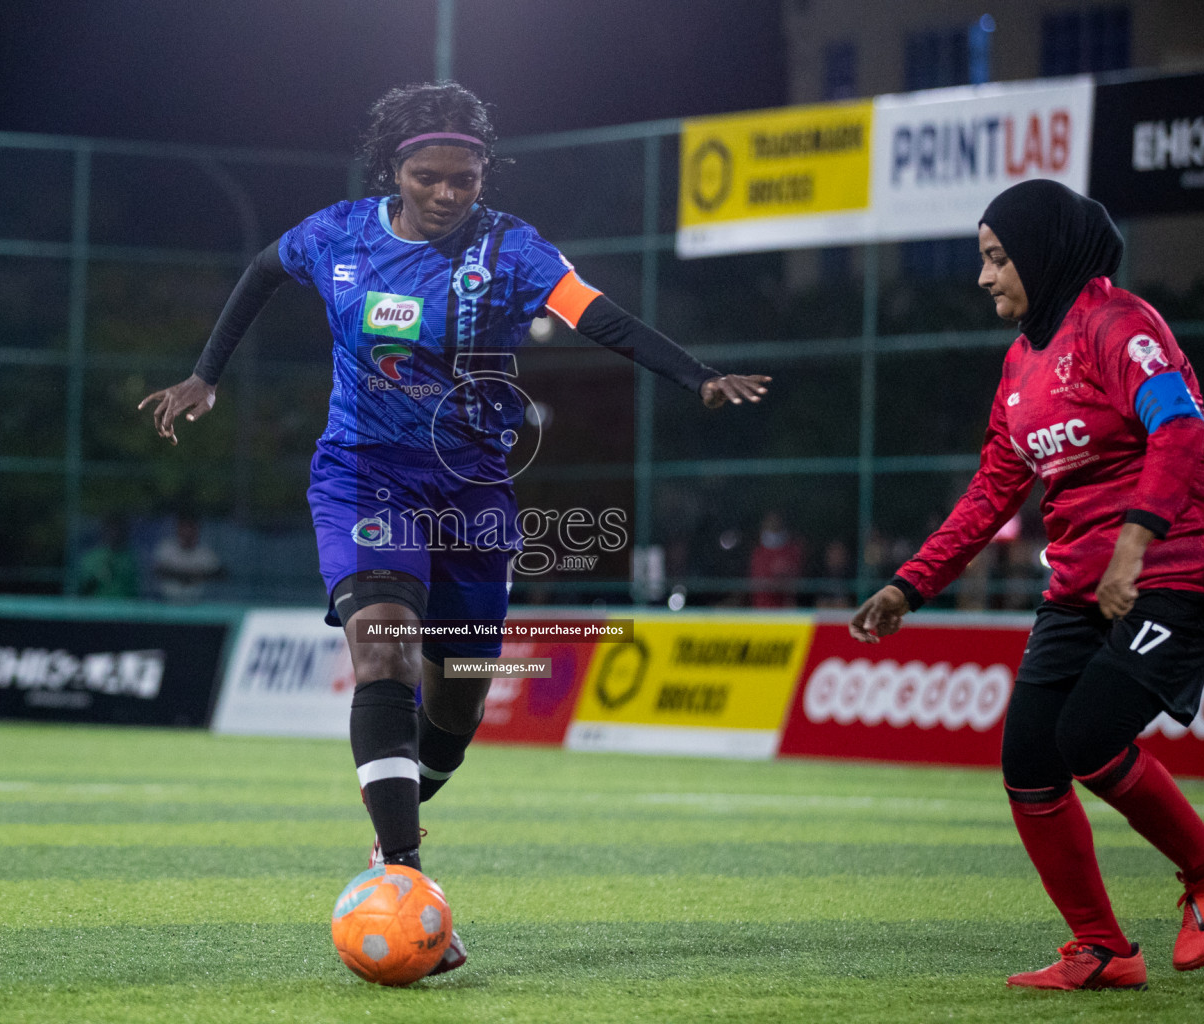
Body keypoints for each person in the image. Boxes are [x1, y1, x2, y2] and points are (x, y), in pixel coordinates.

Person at [139, 81, 770, 978]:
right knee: (383, 643)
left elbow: (601, 316)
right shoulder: (337, 235)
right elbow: (260, 272)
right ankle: (402, 871)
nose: (446, 193)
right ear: (392, 170)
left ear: (483, 176)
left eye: (464, 179)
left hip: (472, 495)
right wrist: (205, 374)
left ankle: (406, 813)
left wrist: (693, 375)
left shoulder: (511, 249)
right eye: (429, 177)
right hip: (363, 475)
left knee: (459, 698)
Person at [850, 179, 1204, 991]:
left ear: (1042, 253)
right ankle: (1103, 949)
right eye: (981, 260)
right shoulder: (1021, 362)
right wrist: (908, 587)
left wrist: (1136, 539)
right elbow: (992, 490)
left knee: (1087, 734)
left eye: (995, 257)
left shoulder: (1118, 324)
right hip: (1084, 586)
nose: (985, 277)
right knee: (1028, 758)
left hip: (1178, 565)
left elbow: (1182, 426)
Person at [151, 511, 224, 603]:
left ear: (197, 530)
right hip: (168, 605)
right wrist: (188, 575)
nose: (188, 532)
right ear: (178, 529)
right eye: (184, 527)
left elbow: (220, 574)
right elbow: (158, 571)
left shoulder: (205, 553)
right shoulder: (166, 548)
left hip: (199, 606)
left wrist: (201, 574)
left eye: (191, 527)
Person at [75, 515, 140, 598]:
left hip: (124, 608)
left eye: (118, 530)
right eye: (111, 530)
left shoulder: (130, 558)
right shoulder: (91, 557)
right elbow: (83, 588)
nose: (115, 534)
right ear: (104, 531)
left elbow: (133, 588)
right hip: (97, 608)